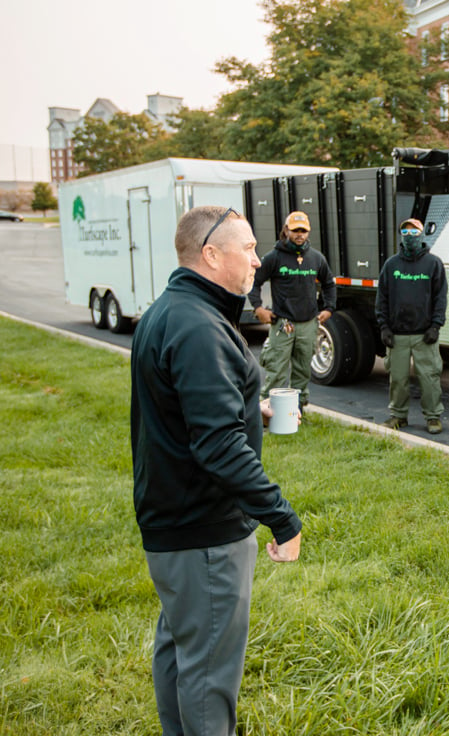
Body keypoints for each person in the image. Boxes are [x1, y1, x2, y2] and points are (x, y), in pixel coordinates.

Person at [130, 205, 302, 734]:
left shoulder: (174, 310)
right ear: (210, 254)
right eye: (247, 248)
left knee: (182, 650)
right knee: (208, 676)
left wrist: (252, 407)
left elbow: (188, 410)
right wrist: (282, 518)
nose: (257, 259)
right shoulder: (200, 326)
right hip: (203, 531)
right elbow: (219, 447)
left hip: (173, 523)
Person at [248, 211, 337, 415]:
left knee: (302, 370)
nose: (299, 235)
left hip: (308, 324)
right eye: (295, 230)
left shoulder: (316, 258)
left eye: (303, 231)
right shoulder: (274, 257)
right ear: (286, 230)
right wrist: (258, 308)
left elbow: (329, 284)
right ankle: (268, 412)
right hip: (282, 324)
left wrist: (329, 308)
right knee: (276, 369)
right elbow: (255, 282)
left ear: (308, 232)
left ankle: (297, 411)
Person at [376, 218, 448, 434]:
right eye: (405, 233)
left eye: (414, 232)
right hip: (397, 335)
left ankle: (433, 417)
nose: (410, 237)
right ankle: (398, 415)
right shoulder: (391, 265)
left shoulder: (433, 264)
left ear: (421, 234)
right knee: (398, 379)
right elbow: (382, 298)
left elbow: (440, 297)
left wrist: (436, 325)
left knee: (429, 379)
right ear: (401, 236)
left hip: (424, 334)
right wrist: (384, 327)